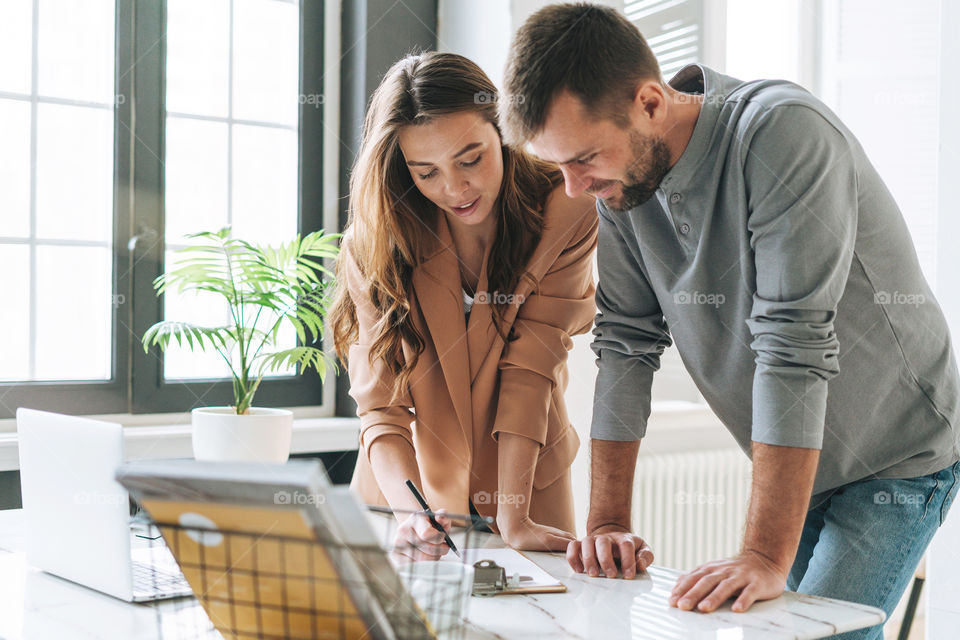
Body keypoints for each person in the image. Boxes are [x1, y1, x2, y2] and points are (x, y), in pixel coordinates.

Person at [499, 3, 960, 636]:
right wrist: (606, 524)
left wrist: (765, 555)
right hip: (812, 458)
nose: (574, 188)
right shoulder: (621, 185)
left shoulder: (783, 133)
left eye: (583, 158)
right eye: (559, 166)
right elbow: (627, 344)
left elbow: (791, 343)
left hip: (898, 450)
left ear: (651, 103)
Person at [329, 51, 598, 560]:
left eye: (470, 158)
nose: (454, 189)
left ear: (503, 129)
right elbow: (380, 408)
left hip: (526, 487)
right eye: (425, 172)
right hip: (406, 496)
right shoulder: (376, 241)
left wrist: (515, 517)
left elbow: (532, 367)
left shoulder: (566, 207)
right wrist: (412, 515)